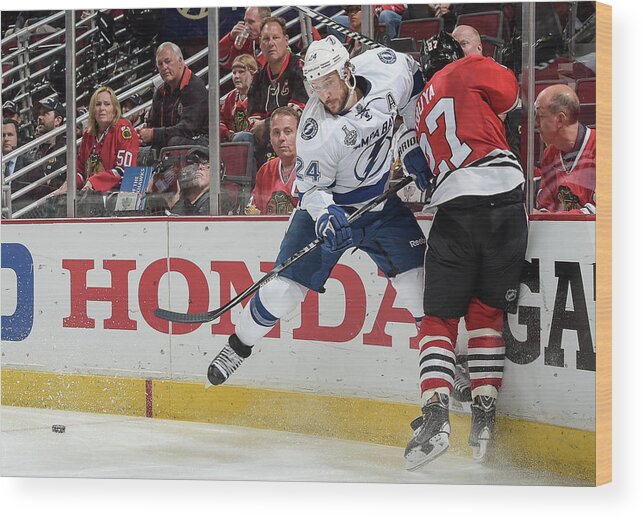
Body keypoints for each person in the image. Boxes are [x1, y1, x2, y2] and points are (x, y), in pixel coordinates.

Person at [205, 36, 427, 427]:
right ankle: (238, 345)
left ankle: (442, 365)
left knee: (419, 287)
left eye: (328, 82)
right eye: (315, 85)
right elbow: (312, 190)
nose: (323, 93)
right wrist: (326, 217)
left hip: (378, 203)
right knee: (281, 292)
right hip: (331, 207)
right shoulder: (314, 130)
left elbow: (416, 81)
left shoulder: (385, 67)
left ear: (347, 71)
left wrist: (409, 140)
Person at [404, 31, 527, 469]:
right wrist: (478, 61)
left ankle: (436, 415)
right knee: (487, 313)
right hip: (506, 195)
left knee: (439, 319)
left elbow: (417, 169)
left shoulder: (418, 109)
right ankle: (484, 415)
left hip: (455, 206)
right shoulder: (470, 65)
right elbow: (512, 95)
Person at [246, 16, 308, 163]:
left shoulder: (299, 68)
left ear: (286, 40)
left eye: (276, 38)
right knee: (243, 139)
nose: (271, 43)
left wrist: (266, 125)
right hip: (266, 138)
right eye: (266, 39)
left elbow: (297, 112)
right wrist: (259, 126)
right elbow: (252, 117)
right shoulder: (258, 77)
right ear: (260, 44)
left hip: (295, 135)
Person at [63, 86, 139, 193]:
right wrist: (69, 184)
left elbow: (125, 171)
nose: (102, 108)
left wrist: (94, 182)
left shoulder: (124, 130)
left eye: (107, 104)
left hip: (115, 196)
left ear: (114, 109)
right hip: (90, 196)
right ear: (92, 110)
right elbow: (80, 169)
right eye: (98, 104)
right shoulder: (88, 134)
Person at [534, 84, 595, 214]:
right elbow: (545, 206)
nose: (535, 123)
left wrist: (553, 217)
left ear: (560, 119)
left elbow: (602, 211)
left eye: (540, 116)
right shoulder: (549, 154)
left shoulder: (604, 148)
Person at [137, 42, 208, 151]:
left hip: (200, 145)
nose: (164, 67)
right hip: (169, 145)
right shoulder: (160, 92)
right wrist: (143, 132)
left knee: (174, 142)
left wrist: (153, 134)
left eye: (168, 61)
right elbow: (153, 124)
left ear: (180, 62)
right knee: (138, 148)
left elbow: (188, 129)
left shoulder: (196, 88)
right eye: (160, 64)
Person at [244, 107, 299, 215]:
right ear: (270, 137)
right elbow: (252, 213)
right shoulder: (265, 171)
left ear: (300, 133)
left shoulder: (311, 168)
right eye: (276, 132)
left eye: (288, 132)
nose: (281, 138)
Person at [220, 54, 258, 143]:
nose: (236, 76)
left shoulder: (260, 93)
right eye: (234, 73)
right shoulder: (231, 97)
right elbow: (220, 121)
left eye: (241, 72)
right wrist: (226, 133)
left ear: (253, 74)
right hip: (235, 142)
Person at [219, 6, 271, 71]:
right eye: (245, 22)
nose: (246, 26)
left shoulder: (276, 43)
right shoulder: (246, 42)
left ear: (265, 22)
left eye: (251, 22)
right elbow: (222, 59)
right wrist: (230, 38)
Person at [170, 146, 211, 215]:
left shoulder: (217, 202)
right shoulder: (183, 203)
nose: (199, 167)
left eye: (205, 163)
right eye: (194, 163)